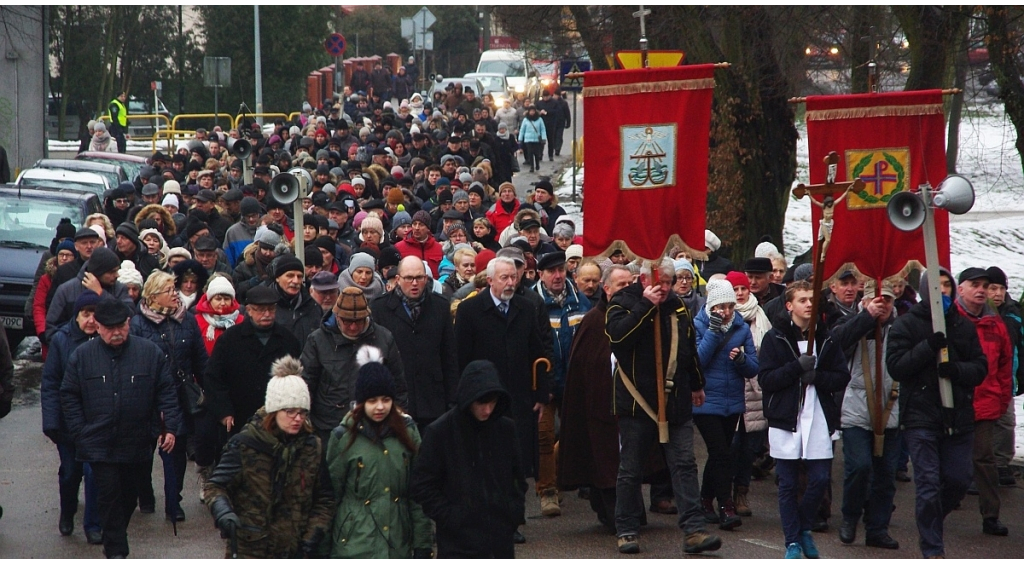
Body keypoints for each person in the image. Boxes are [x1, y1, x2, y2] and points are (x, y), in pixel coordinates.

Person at [605, 258, 722, 555]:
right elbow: (618, 339)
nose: (667, 288)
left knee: (684, 465)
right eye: (662, 282)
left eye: (670, 283)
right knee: (631, 469)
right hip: (637, 403)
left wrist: (697, 384)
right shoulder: (622, 301)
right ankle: (627, 529)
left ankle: (694, 530)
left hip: (676, 400)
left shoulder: (678, 307)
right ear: (644, 280)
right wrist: (645, 307)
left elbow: (688, 349)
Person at [60, 297, 181, 558]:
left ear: (128, 323)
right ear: (98, 326)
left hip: (136, 440)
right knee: (109, 496)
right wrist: (80, 431)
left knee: (128, 495)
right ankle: (116, 551)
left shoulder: (149, 353)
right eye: (109, 327)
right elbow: (69, 395)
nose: (116, 333)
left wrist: (168, 427)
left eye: (121, 327)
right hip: (97, 441)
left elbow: (166, 392)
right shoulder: (82, 356)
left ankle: (115, 535)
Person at [886, 268, 988, 558]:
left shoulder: (963, 326)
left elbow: (980, 367)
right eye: (935, 285)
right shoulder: (906, 325)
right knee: (928, 483)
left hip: (957, 417)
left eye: (946, 285)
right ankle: (933, 549)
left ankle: (930, 519)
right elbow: (898, 366)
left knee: (957, 480)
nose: (941, 290)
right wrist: (928, 346)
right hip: (921, 416)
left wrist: (956, 369)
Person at [454, 255, 552, 542]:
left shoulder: (526, 307)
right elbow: (461, 358)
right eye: (504, 278)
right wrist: (466, 399)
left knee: (517, 463)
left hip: (520, 399)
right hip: (484, 400)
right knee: (485, 464)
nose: (511, 282)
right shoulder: (471, 310)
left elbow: (539, 352)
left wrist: (540, 393)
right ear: (491, 280)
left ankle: (512, 521)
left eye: (514, 277)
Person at [204, 356, 336, 558]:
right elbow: (215, 487)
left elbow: (324, 498)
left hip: (296, 549)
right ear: (274, 411)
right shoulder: (245, 445)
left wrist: (313, 535)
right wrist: (223, 512)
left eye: (302, 412)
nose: (297, 418)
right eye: (290, 411)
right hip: (251, 549)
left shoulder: (312, 447)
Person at [757, 280, 850, 559]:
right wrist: (796, 369)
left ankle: (803, 527)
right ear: (789, 306)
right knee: (787, 483)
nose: (809, 304)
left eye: (812, 299)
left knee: (820, 479)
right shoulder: (775, 338)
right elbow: (767, 379)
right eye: (802, 300)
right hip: (786, 416)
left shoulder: (826, 338)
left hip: (818, 415)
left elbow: (841, 376)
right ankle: (792, 542)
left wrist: (817, 377)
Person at [410, 360, 527, 558]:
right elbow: (422, 485)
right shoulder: (440, 433)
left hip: (500, 540)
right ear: (468, 398)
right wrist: (450, 517)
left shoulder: (505, 429)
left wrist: (513, 512)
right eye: (482, 403)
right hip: (458, 543)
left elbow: (518, 477)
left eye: (492, 403)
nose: (488, 410)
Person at [325, 356, 433, 558]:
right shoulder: (343, 437)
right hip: (354, 544)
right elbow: (330, 496)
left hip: (397, 543)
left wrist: (423, 544)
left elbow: (418, 495)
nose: (380, 407)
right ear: (361, 403)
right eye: (372, 401)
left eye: (386, 400)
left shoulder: (408, 434)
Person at [129, 270, 209, 522]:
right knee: (143, 452)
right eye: (169, 291)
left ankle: (174, 502)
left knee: (176, 452)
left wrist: (209, 390)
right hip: (146, 398)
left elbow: (200, 361)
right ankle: (145, 495)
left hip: (179, 396)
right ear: (153, 296)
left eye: (175, 289)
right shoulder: (138, 324)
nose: (175, 294)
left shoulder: (188, 320)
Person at [831, 280, 901, 549]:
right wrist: (866, 318)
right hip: (857, 408)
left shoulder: (900, 329)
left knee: (885, 476)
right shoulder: (851, 324)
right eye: (875, 300)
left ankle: (877, 528)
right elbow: (837, 343)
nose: (881, 306)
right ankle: (850, 517)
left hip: (890, 409)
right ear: (864, 301)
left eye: (887, 301)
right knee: (859, 467)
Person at [203, 285, 303, 463]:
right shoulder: (230, 339)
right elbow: (213, 378)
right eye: (260, 309)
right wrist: (224, 411)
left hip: (277, 418)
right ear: (248, 310)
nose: (266, 314)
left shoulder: (287, 340)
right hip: (239, 418)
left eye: (271, 309)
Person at [301, 287, 408, 446]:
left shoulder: (384, 339)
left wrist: (398, 420)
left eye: (358, 321)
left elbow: (398, 384)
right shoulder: (317, 341)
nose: (353, 327)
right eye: (347, 321)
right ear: (337, 317)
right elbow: (306, 384)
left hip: (375, 426)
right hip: (329, 426)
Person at [692, 280, 758, 530]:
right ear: (711, 306)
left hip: (733, 402)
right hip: (706, 400)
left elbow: (753, 367)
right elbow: (697, 361)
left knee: (719, 454)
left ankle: (705, 499)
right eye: (721, 307)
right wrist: (713, 331)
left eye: (730, 306)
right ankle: (726, 505)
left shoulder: (741, 328)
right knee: (721, 452)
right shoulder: (699, 325)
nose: (727, 312)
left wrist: (741, 359)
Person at [40, 291, 102, 544]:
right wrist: (51, 422)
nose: (90, 320)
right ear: (76, 316)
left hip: (96, 423)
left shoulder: (105, 340)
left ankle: (93, 524)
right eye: (85, 315)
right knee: (70, 472)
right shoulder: (62, 341)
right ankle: (68, 511)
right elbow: (51, 382)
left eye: (95, 315)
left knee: (94, 472)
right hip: (67, 423)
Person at [953, 268, 1012, 536]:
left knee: (985, 460)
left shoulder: (995, 323)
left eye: (985, 286)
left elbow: (1004, 364)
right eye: (974, 284)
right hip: (953, 402)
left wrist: (1002, 399)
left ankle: (990, 515)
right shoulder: (949, 320)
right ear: (960, 288)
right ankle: (940, 506)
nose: (981, 290)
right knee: (951, 462)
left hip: (986, 401)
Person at [533, 251, 591, 517]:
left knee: (573, 434)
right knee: (544, 437)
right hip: (543, 383)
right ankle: (547, 491)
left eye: (561, 270)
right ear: (540, 275)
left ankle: (564, 477)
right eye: (551, 272)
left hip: (576, 382)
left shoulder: (582, 302)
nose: (557, 276)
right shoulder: (532, 303)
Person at [371, 256, 458, 429]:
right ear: (397, 279)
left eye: (419, 278)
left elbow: (449, 357)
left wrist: (453, 400)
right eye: (409, 278)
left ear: (426, 279)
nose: (415, 283)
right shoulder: (379, 308)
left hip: (433, 399)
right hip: (396, 400)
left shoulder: (440, 306)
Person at [726, 270, 771, 517]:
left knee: (747, 449)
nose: (741, 293)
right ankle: (725, 495)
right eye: (736, 290)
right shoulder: (723, 317)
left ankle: (741, 492)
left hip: (755, 393)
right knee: (730, 447)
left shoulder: (761, 317)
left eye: (743, 289)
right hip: (732, 389)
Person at [985, 266, 1023, 486]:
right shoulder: (980, 312)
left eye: (1001, 288)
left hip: (1007, 378)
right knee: (983, 424)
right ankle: (982, 466)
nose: (997, 293)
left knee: (1006, 422)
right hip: (984, 378)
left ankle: (1001, 464)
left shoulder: (1012, 313)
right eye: (993, 288)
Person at [269, 255, 322, 344]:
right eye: (290, 276)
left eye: (299, 276)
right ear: (277, 278)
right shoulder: (264, 305)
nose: (295, 281)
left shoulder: (312, 306)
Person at [194, 275, 245, 357]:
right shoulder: (197, 321)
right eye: (218, 299)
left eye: (226, 299)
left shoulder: (241, 321)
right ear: (210, 300)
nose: (222, 303)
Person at [518, 106, 547, 173]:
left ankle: (537, 164)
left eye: (533, 111)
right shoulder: (525, 120)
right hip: (528, 139)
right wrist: (520, 139)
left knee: (536, 153)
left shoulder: (539, 119)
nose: (532, 112)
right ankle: (532, 166)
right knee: (530, 153)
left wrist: (543, 138)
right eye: (530, 111)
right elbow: (522, 130)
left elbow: (543, 129)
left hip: (536, 139)